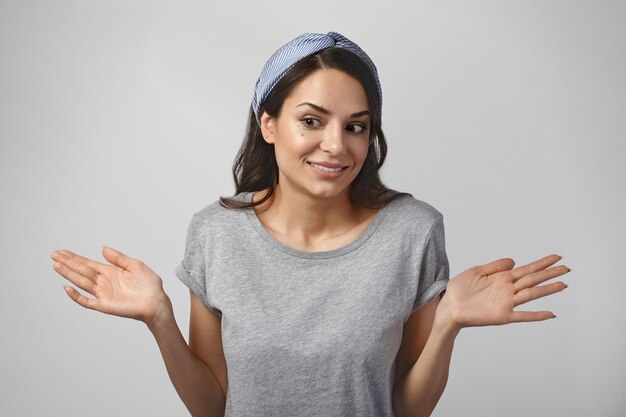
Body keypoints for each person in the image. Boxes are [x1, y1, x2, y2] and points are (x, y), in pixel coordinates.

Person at [50, 31, 570, 417]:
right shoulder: (215, 233)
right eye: (312, 120)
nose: (336, 146)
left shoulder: (414, 232)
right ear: (269, 123)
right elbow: (214, 407)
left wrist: (449, 322)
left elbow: (406, 411)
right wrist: (160, 320)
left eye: (356, 126)